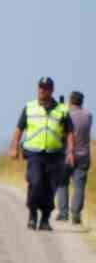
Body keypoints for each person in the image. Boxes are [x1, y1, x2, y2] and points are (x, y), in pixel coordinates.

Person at [10, 76, 76, 231]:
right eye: (40, 87)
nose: (42, 90)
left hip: (55, 154)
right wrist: (14, 148)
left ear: (52, 90)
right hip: (35, 153)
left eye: (46, 88)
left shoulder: (62, 110)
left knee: (51, 188)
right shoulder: (30, 107)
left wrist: (71, 152)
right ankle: (33, 214)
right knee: (36, 182)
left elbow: (70, 132)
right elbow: (19, 129)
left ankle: (45, 219)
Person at [55, 91, 90, 225]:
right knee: (79, 185)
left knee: (62, 183)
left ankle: (63, 213)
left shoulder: (65, 114)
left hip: (66, 153)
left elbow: (60, 131)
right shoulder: (88, 115)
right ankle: (76, 213)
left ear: (70, 100)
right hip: (83, 154)